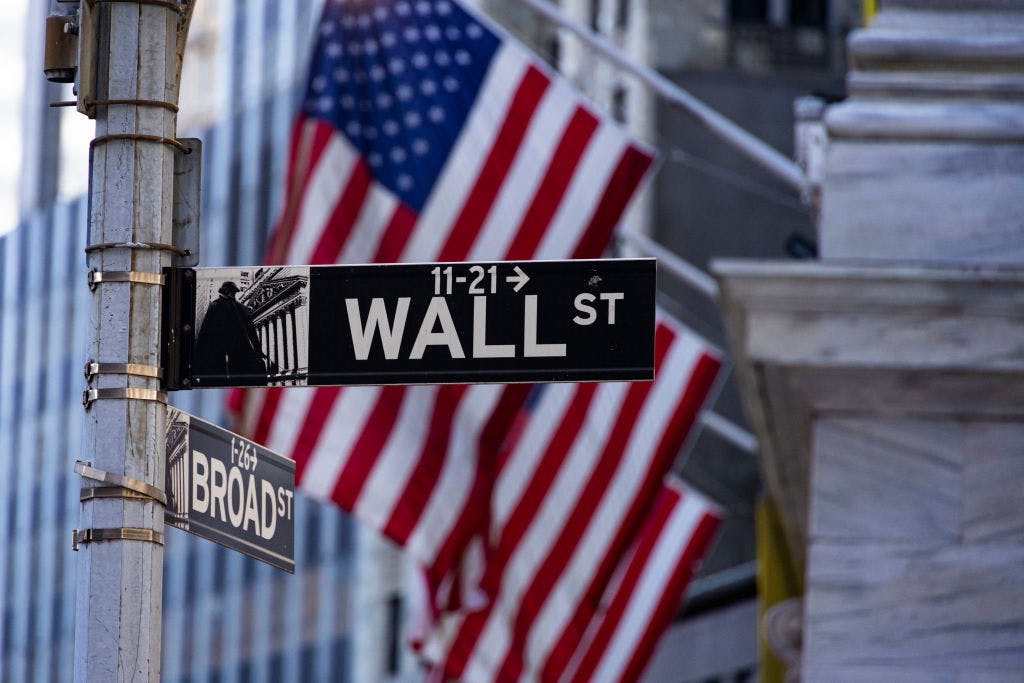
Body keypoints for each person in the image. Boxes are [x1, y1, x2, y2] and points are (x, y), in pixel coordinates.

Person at [192, 281, 269, 380]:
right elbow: (204, 331)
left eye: (233, 292)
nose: (232, 295)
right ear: (226, 292)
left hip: (235, 350)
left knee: (236, 376)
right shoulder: (216, 306)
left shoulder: (239, 308)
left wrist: (258, 351)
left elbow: (251, 331)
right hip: (220, 351)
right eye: (231, 292)